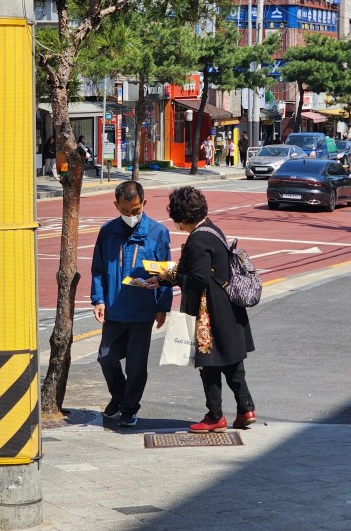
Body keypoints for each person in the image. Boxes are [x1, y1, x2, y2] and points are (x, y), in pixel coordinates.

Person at [158, 186, 256, 434]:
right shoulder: (212, 229)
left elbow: (197, 278)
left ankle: (215, 416)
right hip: (228, 309)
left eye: (177, 219)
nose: (177, 225)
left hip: (209, 313)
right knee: (233, 363)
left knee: (209, 364)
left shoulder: (197, 239)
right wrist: (165, 279)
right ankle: (246, 409)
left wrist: (169, 276)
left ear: (183, 216)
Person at [91, 181, 172, 428]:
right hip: (114, 310)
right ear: (116, 206)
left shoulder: (158, 233)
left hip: (141, 311)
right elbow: (98, 269)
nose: (130, 216)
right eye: (125, 211)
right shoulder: (107, 232)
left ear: (144, 204)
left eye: (135, 210)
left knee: (137, 365)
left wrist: (162, 306)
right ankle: (119, 395)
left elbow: (166, 273)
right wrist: (99, 299)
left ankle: (128, 408)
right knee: (105, 357)